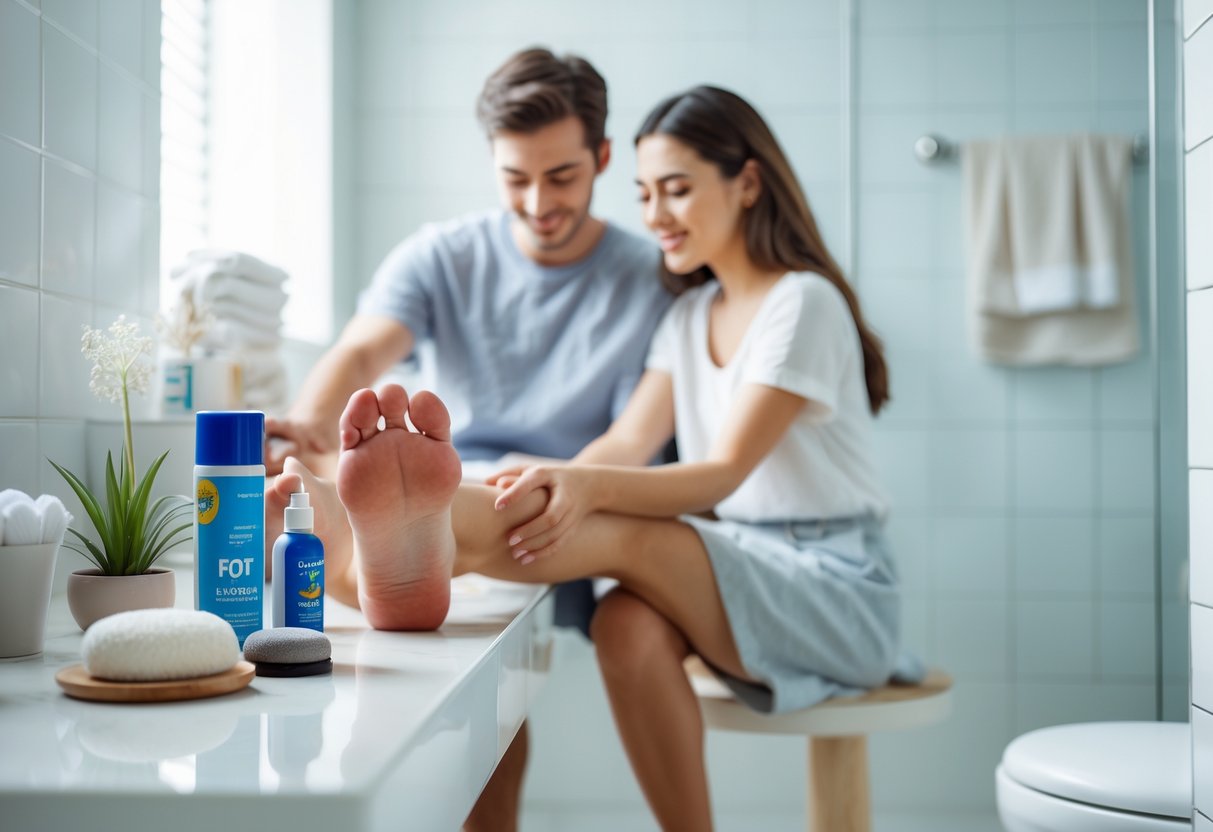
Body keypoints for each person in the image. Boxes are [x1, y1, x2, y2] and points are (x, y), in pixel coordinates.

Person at [279, 85, 915, 830]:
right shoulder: (685, 316)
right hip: (745, 562)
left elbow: (722, 474)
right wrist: (556, 477)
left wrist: (581, 482)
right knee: (625, 622)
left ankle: (406, 548)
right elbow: (625, 444)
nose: (655, 216)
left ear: (746, 182)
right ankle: (417, 542)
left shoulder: (800, 302)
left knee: (630, 537)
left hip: (835, 587)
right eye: (645, 194)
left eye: (676, 190)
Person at [263, 48, 672, 832]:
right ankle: (401, 541)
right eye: (515, 178)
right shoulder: (441, 254)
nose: (537, 202)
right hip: (441, 485)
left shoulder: (648, 279)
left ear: (603, 158)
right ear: (492, 160)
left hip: (559, 500)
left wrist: (567, 483)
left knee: (486, 520)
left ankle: (380, 552)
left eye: (560, 177)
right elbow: (357, 353)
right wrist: (313, 424)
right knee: (483, 682)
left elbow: (628, 440)